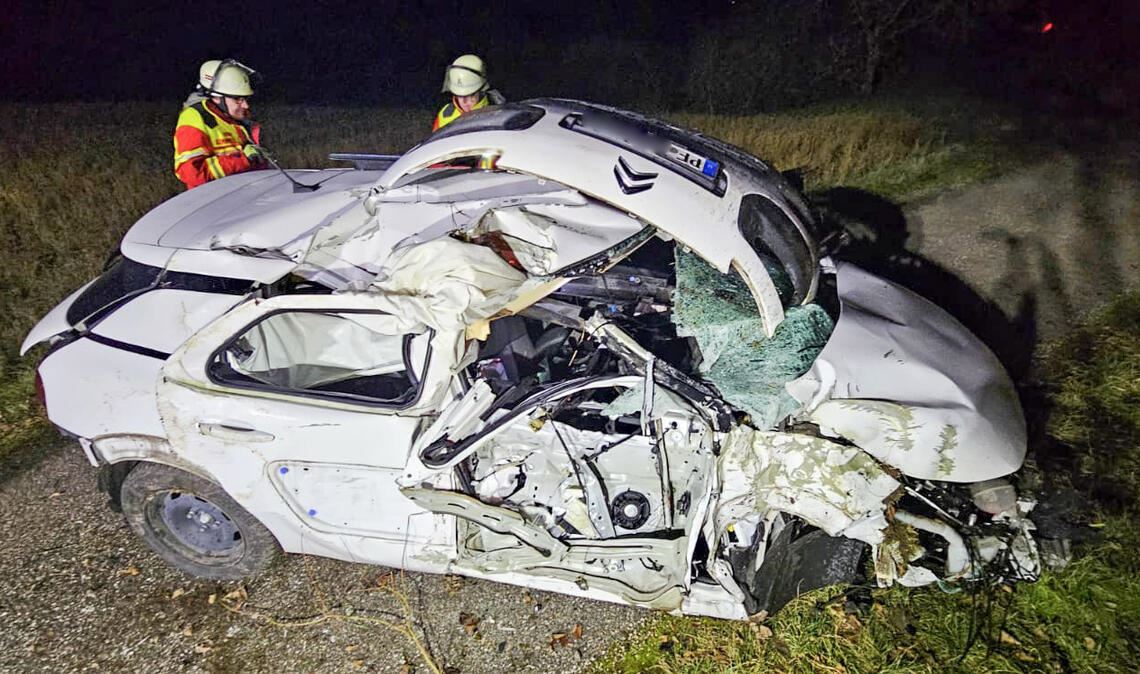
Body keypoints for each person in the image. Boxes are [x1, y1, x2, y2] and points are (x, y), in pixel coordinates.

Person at [173, 59, 267, 189]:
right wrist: (243, 160)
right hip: (214, 198)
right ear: (217, 97)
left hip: (243, 194)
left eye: (245, 99)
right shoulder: (195, 118)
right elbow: (191, 172)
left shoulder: (237, 119)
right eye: (237, 99)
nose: (245, 105)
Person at [432, 54, 506, 132]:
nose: (464, 102)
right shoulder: (444, 116)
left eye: (470, 95)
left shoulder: (499, 111)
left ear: (480, 90)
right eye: (459, 95)